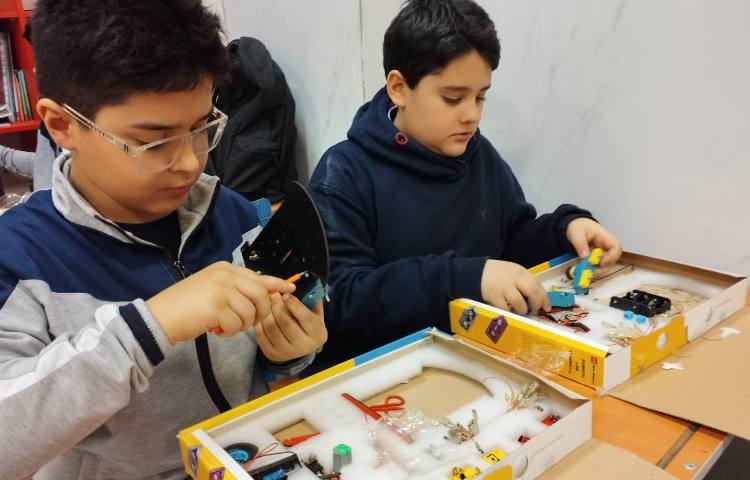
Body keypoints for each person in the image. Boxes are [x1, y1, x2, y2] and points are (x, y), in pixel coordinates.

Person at [0, 1, 326, 478]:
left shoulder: (231, 212)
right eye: (153, 142)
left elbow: (264, 371)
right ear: (62, 125)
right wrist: (149, 326)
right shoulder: (18, 258)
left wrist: (288, 353)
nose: (190, 162)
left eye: (201, 128)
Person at [306, 0, 621, 372]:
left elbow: (511, 243)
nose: (472, 114)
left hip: (477, 355)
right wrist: (466, 277)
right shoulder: (344, 172)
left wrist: (564, 229)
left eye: (480, 96)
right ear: (399, 88)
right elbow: (342, 303)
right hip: (382, 372)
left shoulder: (478, 154)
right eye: (453, 98)